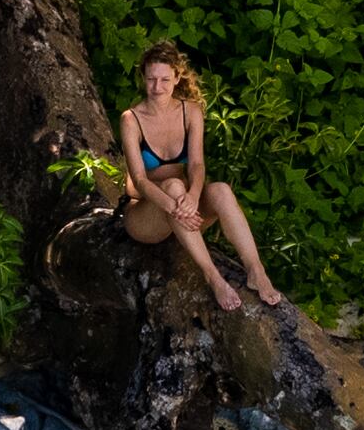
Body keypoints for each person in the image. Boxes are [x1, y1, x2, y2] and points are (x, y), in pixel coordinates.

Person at [116, 40, 283, 313]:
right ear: (143, 78)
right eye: (151, 80)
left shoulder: (190, 111)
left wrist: (193, 196)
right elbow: (140, 181)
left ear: (177, 77)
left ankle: (256, 271)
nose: (157, 88)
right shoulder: (131, 119)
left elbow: (196, 164)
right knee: (172, 184)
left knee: (220, 190)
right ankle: (213, 278)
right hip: (147, 215)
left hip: (183, 207)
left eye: (165, 80)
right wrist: (174, 205)